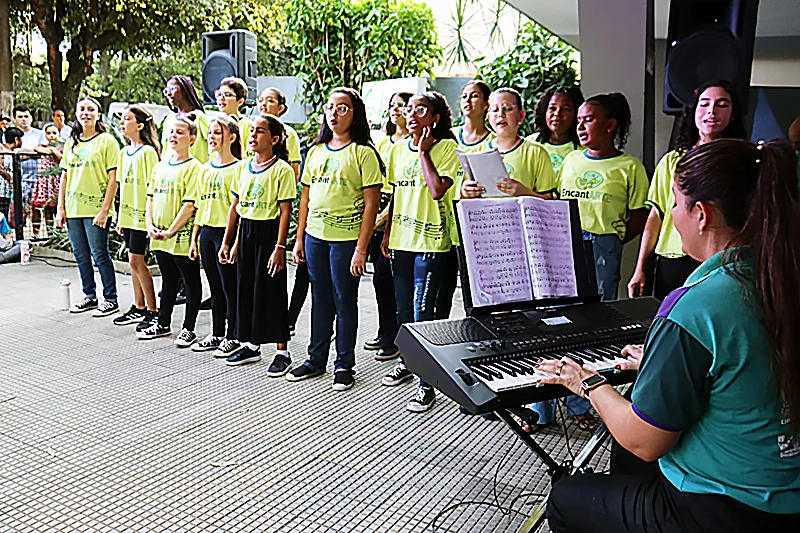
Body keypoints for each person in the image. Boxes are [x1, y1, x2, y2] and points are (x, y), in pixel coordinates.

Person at [542, 139, 800, 533]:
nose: (671, 217)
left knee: (566, 496)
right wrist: (659, 365)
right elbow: (744, 368)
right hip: (785, 490)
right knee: (627, 463)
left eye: (675, 205)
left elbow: (646, 440)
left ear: (702, 215)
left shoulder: (698, 305)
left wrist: (586, 382)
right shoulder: (780, 277)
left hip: (723, 507)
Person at [287, 87, 383, 391]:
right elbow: (305, 199)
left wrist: (361, 249)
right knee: (320, 301)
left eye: (342, 108)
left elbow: (372, 205)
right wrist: (299, 239)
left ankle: (344, 364)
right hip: (315, 237)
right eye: (330, 107)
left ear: (355, 115)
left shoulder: (363, 153)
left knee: (344, 301)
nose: (334, 113)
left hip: (346, 242)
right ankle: (316, 360)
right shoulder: (314, 152)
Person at [380, 92, 461, 412]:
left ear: (435, 118)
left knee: (422, 314)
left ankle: (426, 385)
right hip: (401, 241)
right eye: (408, 109)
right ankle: (411, 362)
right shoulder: (399, 150)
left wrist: (425, 153)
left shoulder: (446, 149)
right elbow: (397, 195)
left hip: (431, 244)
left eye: (420, 110)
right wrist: (387, 233)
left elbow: (438, 188)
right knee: (404, 315)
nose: (411, 115)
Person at [629, 80, 746, 300]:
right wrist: (640, 268)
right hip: (671, 260)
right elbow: (655, 217)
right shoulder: (671, 161)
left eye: (722, 104)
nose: (712, 111)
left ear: (733, 114)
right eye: (704, 103)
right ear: (693, 112)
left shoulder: (738, 162)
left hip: (718, 260)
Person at [219, 114, 296, 373]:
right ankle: (252, 345)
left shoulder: (281, 170)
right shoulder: (243, 167)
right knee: (247, 289)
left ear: (274, 139)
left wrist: (279, 248)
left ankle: (282, 352)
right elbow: (236, 209)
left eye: (260, 131)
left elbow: (285, 211)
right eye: (252, 130)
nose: (253, 135)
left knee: (272, 291)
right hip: (248, 232)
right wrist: (229, 242)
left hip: (269, 234)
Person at [557, 93, 649, 300]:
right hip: (564, 242)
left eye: (588, 120)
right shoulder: (571, 159)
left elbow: (639, 216)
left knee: (599, 307)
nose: (580, 126)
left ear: (610, 125)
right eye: (579, 120)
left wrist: (611, 241)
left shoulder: (630, 167)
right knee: (564, 305)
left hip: (603, 244)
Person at [138, 117, 202, 346]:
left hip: (181, 237)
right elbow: (150, 197)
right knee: (168, 280)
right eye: (172, 131)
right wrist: (149, 226)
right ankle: (163, 324)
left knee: (190, 281)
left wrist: (171, 231)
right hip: (159, 235)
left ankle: (188, 329)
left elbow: (190, 204)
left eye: (181, 132)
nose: (174, 135)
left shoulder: (194, 168)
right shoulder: (160, 166)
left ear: (192, 139)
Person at [54, 97, 120, 316]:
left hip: (96, 210)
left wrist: (105, 210)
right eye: (81, 109)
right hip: (73, 208)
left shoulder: (107, 141)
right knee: (81, 255)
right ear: (76, 114)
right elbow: (64, 176)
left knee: (99, 254)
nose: (86, 113)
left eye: (91, 109)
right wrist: (60, 208)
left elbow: (114, 179)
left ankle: (110, 299)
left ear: (98, 115)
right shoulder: (71, 142)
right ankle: (89, 296)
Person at [364, 91, 412, 361]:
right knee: (380, 280)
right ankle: (385, 332)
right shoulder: (382, 143)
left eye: (403, 106)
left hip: (397, 211)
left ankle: (398, 338)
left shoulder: (415, 144)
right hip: (377, 209)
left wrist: (384, 218)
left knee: (393, 278)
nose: (397, 110)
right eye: (393, 105)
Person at [189, 115, 242, 356]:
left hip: (226, 233)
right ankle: (217, 332)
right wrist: (194, 238)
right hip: (207, 232)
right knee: (214, 286)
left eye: (217, 133)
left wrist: (234, 242)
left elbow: (240, 210)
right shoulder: (205, 168)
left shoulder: (239, 168)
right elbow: (200, 206)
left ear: (231, 137)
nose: (212, 137)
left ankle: (234, 335)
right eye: (209, 133)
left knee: (229, 285)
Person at [257, 86, 306, 333]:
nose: (264, 104)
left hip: (279, 207)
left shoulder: (289, 134)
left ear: (282, 108)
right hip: (256, 210)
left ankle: (286, 320)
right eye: (261, 100)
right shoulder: (253, 130)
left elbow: (294, 172)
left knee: (281, 264)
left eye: (270, 101)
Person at [113, 105, 160, 331]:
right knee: (133, 263)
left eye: (127, 119)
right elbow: (121, 188)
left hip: (143, 216)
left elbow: (153, 187)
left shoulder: (148, 153)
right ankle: (139, 306)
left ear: (140, 125)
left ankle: (153, 310)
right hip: (129, 216)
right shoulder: (123, 153)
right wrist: (120, 218)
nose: (123, 123)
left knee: (136, 260)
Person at [460, 88, 555, 200]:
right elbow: (465, 199)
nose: (501, 114)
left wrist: (524, 193)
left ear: (521, 115)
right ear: (489, 117)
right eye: (494, 110)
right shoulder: (475, 153)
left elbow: (549, 201)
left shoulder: (536, 152)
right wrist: (465, 192)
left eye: (508, 109)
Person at [529, 85, 584, 174]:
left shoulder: (585, 149)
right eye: (552, 108)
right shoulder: (530, 144)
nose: (557, 114)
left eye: (565, 109)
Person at [160, 75, 210, 163]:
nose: (168, 94)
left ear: (185, 90)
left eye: (172, 89)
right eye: (166, 91)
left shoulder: (199, 117)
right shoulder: (169, 120)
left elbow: (213, 147)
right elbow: (165, 151)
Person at [13, 105, 47, 229]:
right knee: (19, 208)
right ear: (15, 119)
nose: (24, 119)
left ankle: (36, 234)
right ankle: (20, 232)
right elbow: (11, 152)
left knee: (36, 207)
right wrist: (31, 152)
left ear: (31, 118)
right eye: (20, 117)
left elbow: (42, 151)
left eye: (26, 116)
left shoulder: (39, 134)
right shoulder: (12, 134)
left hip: (37, 176)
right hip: (18, 177)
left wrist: (22, 151)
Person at [30, 123, 64, 235]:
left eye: (54, 133)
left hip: (56, 180)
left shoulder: (62, 147)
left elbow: (61, 158)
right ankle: (49, 234)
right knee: (47, 209)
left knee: (57, 208)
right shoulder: (44, 146)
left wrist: (54, 150)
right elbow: (36, 148)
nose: (52, 135)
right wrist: (49, 150)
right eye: (49, 133)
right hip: (45, 181)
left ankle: (58, 233)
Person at [215, 77, 253, 153]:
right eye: (219, 94)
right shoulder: (215, 123)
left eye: (227, 95)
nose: (221, 98)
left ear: (240, 101)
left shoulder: (247, 125)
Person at [0, 126, 23, 221]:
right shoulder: (1, 148)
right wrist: (10, 178)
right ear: (16, 139)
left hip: (7, 190)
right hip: (1, 187)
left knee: (5, 213)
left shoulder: (14, 152)